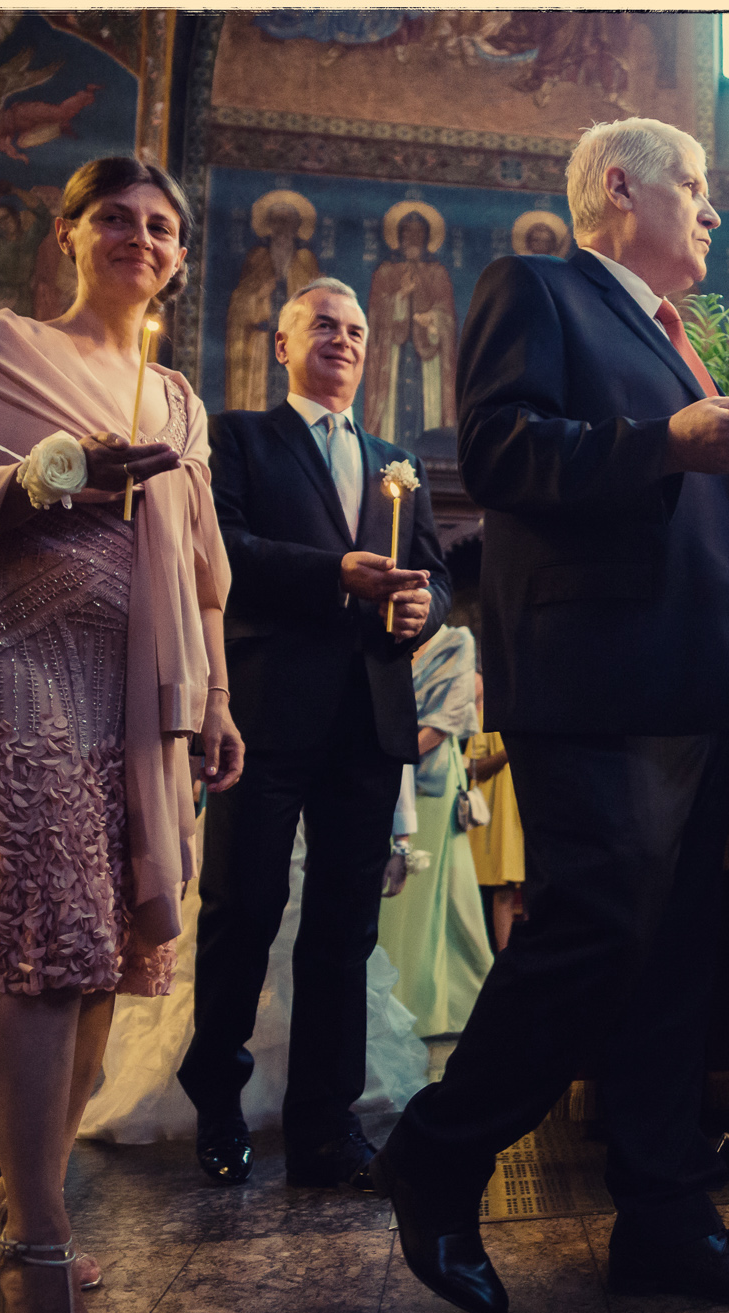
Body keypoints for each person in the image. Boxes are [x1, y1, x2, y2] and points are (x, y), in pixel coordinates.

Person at [372, 116, 729, 1313]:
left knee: (673, 958)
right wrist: (666, 440)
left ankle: (665, 1217)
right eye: (696, 187)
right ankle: (439, 1150)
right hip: (599, 671)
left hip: (696, 682)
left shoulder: (678, 340)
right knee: (597, 924)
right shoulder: (540, 290)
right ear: (619, 186)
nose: (714, 211)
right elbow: (498, 450)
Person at [0, 155, 241, 1313]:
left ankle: (26, 1191)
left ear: (177, 257)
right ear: (68, 233)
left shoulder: (176, 398)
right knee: (41, 946)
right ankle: (38, 1246)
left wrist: (217, 699)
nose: (140, 238)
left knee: (99, 955)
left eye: (161, 227)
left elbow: (205, 573)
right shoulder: (3, 344)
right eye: (115, 219)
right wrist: (52, 477)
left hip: (140, 695)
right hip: (15, 665)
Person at [180, 276, 448, 1193]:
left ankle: (325, 1128)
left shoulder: (395, 461)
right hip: (266, 710)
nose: (343, 340)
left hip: (369, 717)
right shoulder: (240, 438)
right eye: (324, 326)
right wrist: (336, 571)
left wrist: (420, 609)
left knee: (343, 929)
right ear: (283, 345)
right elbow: (222, 549)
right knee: (243, 910)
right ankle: (218, 1101)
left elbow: (434, 573)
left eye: (357, 330)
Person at [80, 806, 430, 1145]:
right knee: (238, 927)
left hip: (334, 806)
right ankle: (221, 1103)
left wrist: (400, 836)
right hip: (253, 795)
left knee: (337, 937)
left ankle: (328, 1111)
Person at [376, 625, 495, 1036]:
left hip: (430, 781)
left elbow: (447, 720)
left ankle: (416, 1004)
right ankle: (438, 1003)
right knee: (442, 899)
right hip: (388, 776)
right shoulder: (386, 638)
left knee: (425, 896)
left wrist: (388, 753)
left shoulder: (456, 641)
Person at [463, 671, 524, 953]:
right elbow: (472, 767)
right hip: (495, 814)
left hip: (519, 813)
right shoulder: (487, 716)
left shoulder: (525, 717)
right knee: (498, 888)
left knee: (517, 886)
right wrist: (510, 750)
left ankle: (511, 955)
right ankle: (498, 957)